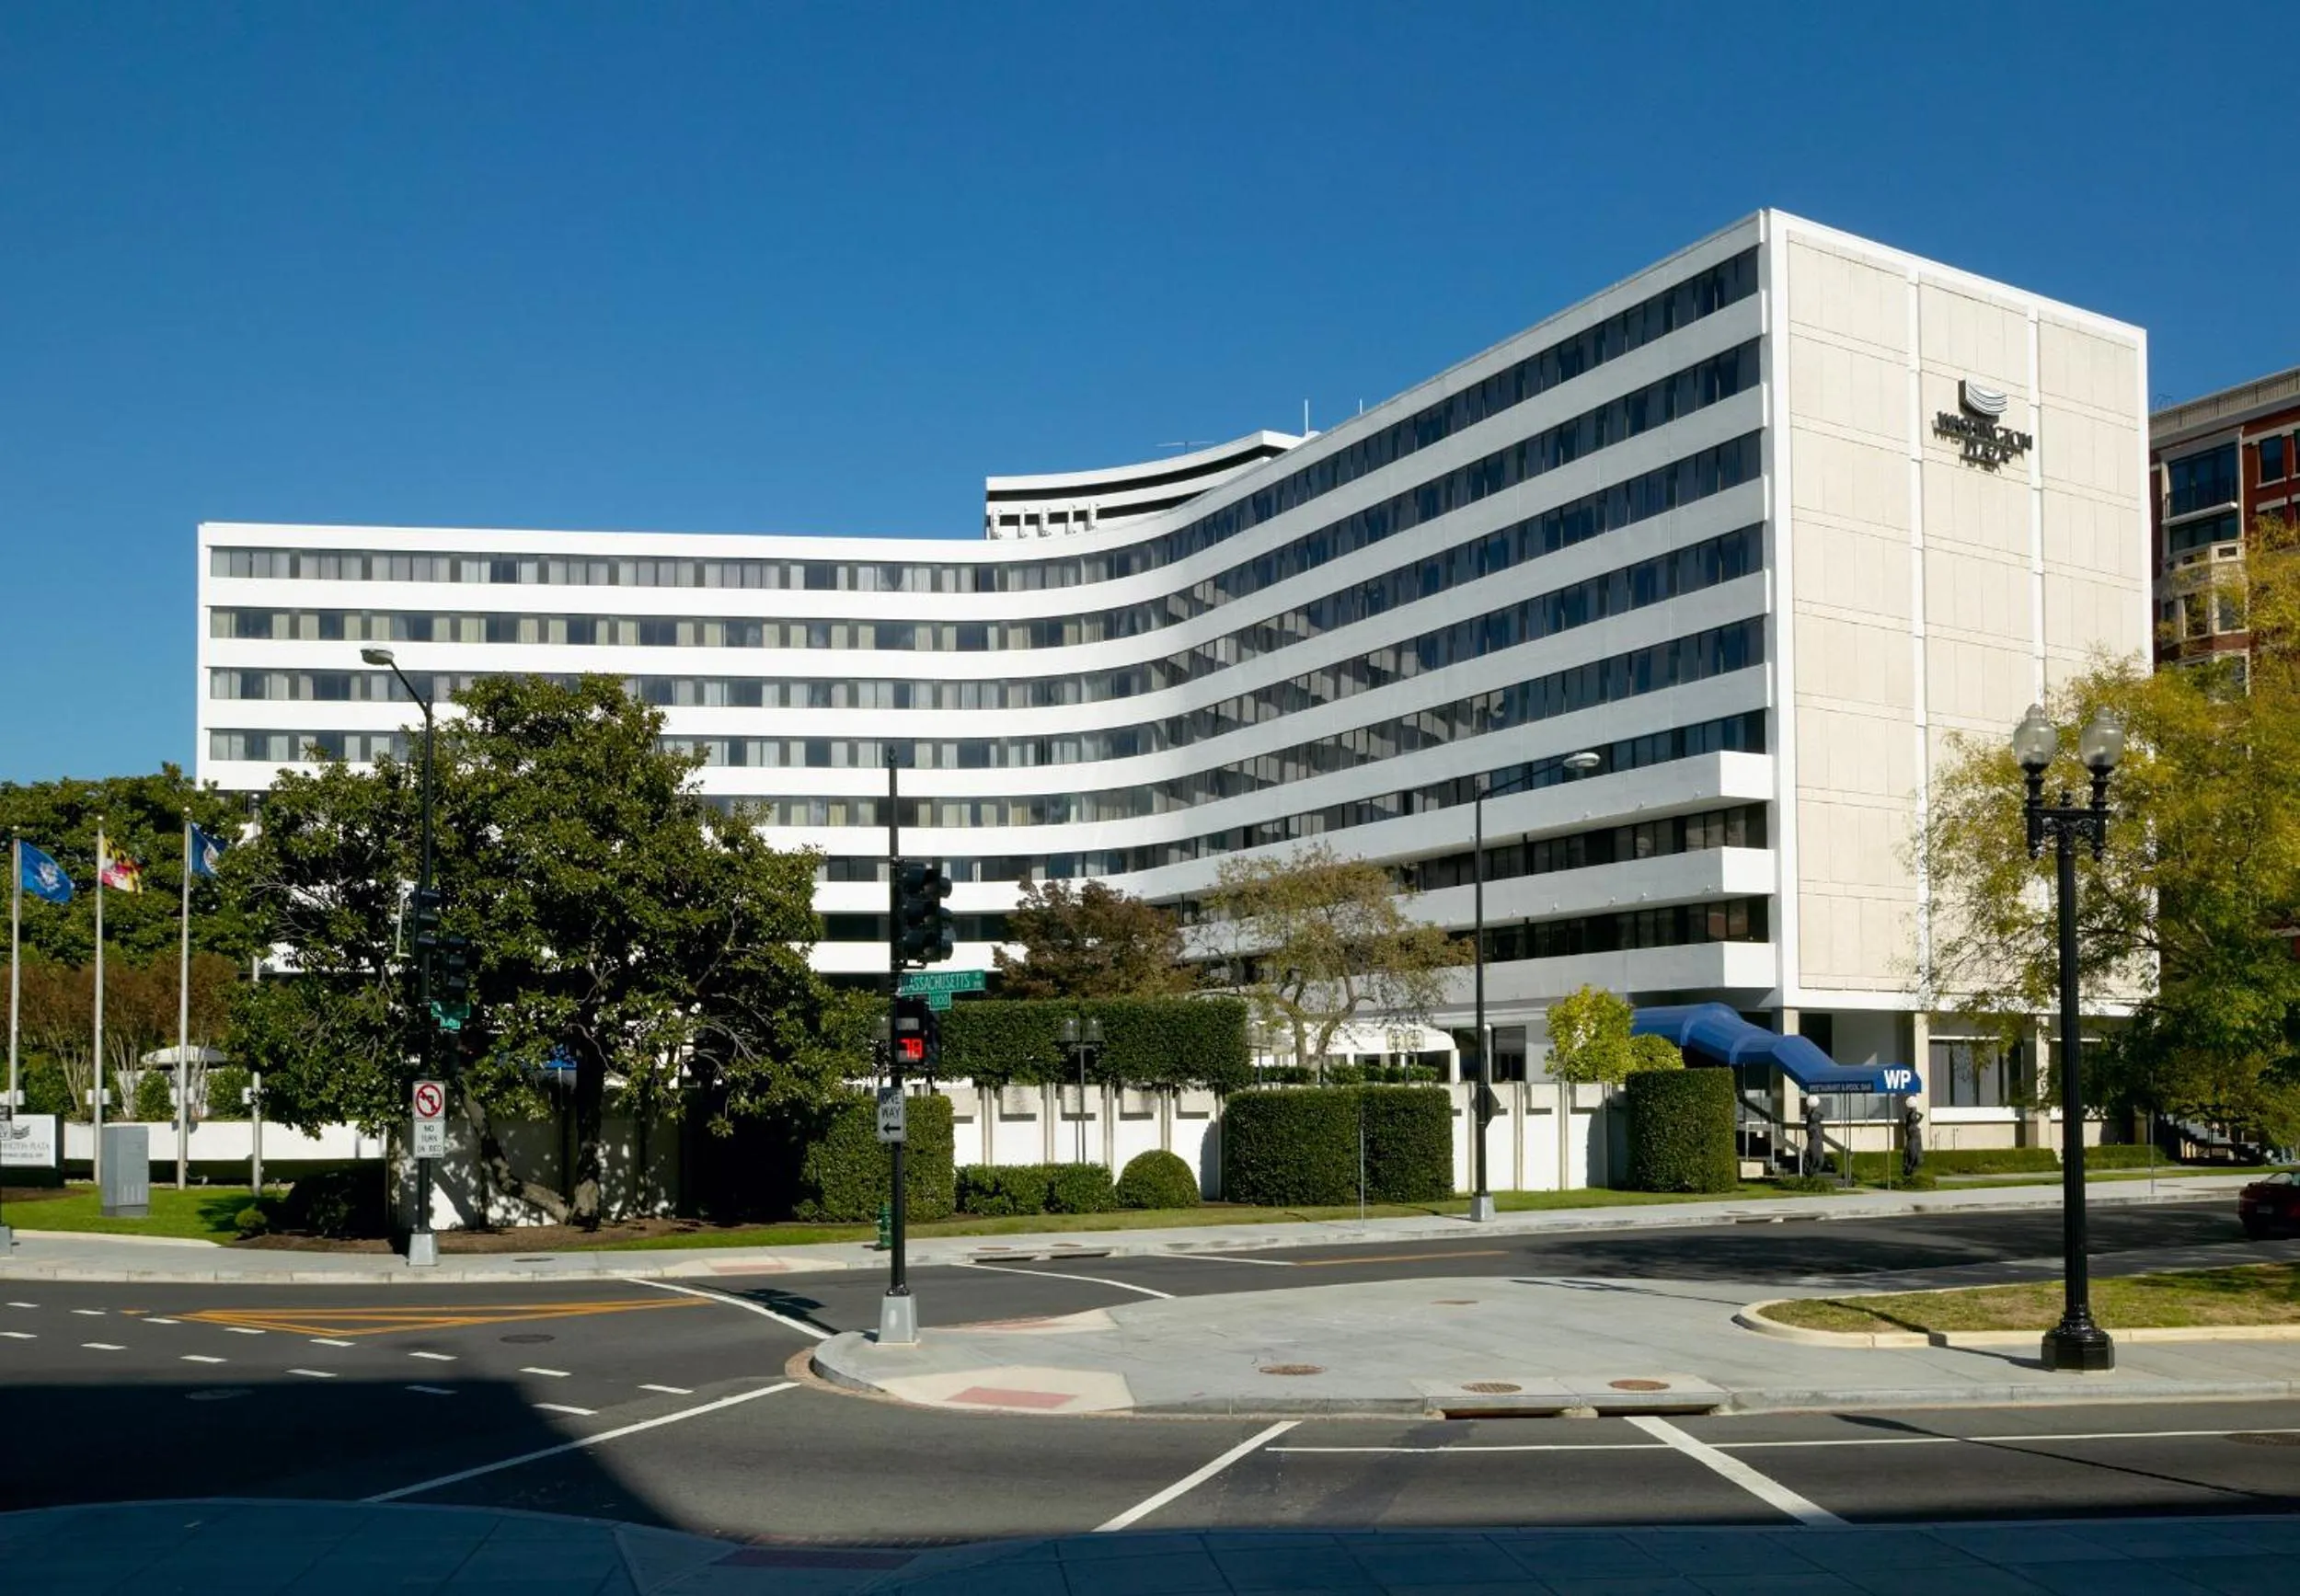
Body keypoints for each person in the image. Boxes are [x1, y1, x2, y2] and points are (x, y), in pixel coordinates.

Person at [1803, 1098, 1827, 1177]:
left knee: (1818, 1161)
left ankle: (1811, 1174)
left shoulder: (1815, 1125)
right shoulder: (1811, 1125)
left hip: (1817, 1143)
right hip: (1814, 1143)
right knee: (1816, 1160)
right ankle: (1810, 1174)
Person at [1902, 1101, 1925, 1179]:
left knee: (1912, 1153)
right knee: (1907, 1153)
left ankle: (1910, 1169)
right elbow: (1915, 1117)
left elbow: (1921, 1116)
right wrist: (1913, 1111)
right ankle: (1908, 1169)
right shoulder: (1910, 1119)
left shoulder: (1913, 1122)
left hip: (1915, 1137)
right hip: (1912, 1137)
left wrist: (1915, 1111)